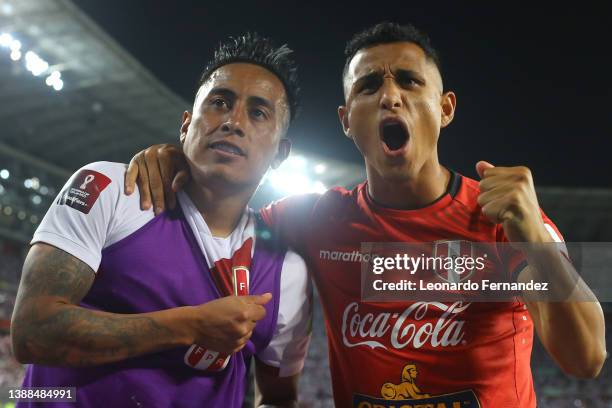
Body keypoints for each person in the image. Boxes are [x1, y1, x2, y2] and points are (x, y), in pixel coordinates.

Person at [127, 23, 606, 407]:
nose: (390, 96)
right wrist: (182, 163)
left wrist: (532, 239)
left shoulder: (501, 220)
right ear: (346, 120)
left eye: (410, 81)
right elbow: (219, 214)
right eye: (369, 85)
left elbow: (586, 358)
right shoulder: (317, 222)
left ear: (445, 109)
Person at [11, 33, 312, 408]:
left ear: (281, 153)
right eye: (220, 102)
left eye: (258, 112)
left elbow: (279, 399)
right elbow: (31, 333)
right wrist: (190, 325)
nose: (234, 122)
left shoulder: (287, 273)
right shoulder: (110, 188)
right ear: (186, 125)